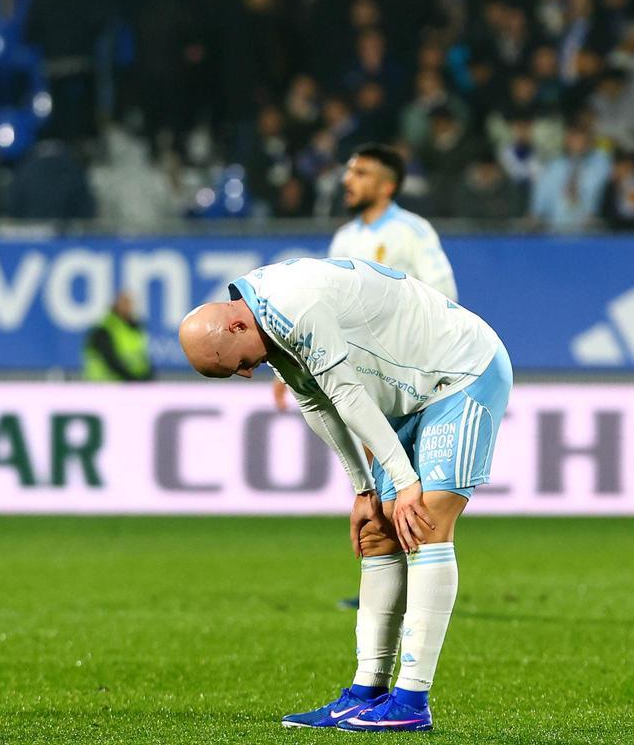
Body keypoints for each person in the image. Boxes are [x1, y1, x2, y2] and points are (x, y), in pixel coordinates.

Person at [179, 257, 512, 732]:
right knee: (378, 532)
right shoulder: (266, 329)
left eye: (240, 365)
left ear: (235, 324)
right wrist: (364, 490)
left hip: (459, 373)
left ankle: (412, 701)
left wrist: (405, 479)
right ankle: (366, 691)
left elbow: (347, 394)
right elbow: (316, 402)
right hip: (407, 394)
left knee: (425, 526)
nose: (247, 374)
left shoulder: (292, 305)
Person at [273, 143, 457, 413]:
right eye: (349, 172)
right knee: (373, 451)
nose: (347, 180)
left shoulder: (412, 230)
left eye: (361, 174)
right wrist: (296, 363)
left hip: (410, 368)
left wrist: (440, 365)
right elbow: (328, 308)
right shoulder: (344, 238)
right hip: (364, 369)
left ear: (386, 187)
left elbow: (445, 296)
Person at [82, 292, 154, 382]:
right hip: (104, 386)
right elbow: (111, 361)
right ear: (116, 304)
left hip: (129, 387)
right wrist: (134, 380)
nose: (128, 307)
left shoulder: (136, 328)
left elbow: (142, 358)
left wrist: (147, 377)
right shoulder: (104, 330)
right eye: (124, 303)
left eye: (130, 303)